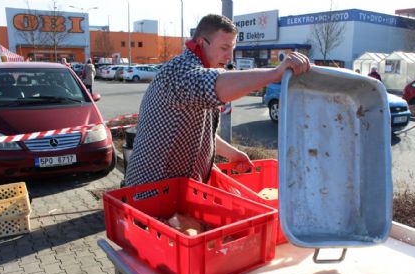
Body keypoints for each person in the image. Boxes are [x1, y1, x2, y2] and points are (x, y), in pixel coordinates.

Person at [125, 14, 310, 188]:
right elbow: (217, 84)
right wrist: (275, 73)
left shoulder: (199, 71)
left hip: (176, 189)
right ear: (201, 42)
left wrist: (232, 153)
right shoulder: (179, 72)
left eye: (232, 49)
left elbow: (201, 133)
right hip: (150, 191)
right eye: (224, 48)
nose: (230, 56)